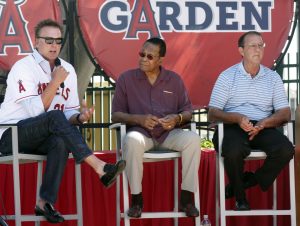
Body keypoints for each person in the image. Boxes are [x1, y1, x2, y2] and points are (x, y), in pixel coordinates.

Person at [0, 19, 125, 223]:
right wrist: (55, 81)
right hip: (10, 135)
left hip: (43, 134)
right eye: (48, 40)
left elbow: (67, 112)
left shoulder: (67, 69)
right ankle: (99, 167)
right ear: (36, 42)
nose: (54, 46)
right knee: (54, 118)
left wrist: (79, 117)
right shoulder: (23, 67)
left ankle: (44, 202)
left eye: (58, 41)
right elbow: (35, 111)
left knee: (60, 140)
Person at [111, 37, 200, 218]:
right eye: (141, 54)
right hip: (142, 134)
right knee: (131, 140)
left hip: (169, 134)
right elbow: (116, 115)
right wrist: (139, 119)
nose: (143, 58)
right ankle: (136, 199)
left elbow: (188, 111)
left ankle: (187, 198)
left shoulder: (174, 80)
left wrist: (177, 118)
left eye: (150, 56)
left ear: (160, 60)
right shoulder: (126, 79)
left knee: (193, 139)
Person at [208, 31, 294, 210]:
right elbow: (213, 113)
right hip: (233, 125)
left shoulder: (273, 77)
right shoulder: (227, 76)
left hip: (262, 125)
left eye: (261, 45)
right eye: (252, 46)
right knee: (232, 150)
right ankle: (240, 198)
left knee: (285, 149)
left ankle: (249, 181)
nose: (258, 49)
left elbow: (285, 113)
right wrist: (237, 118)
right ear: (241, 51)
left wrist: (263, 124)